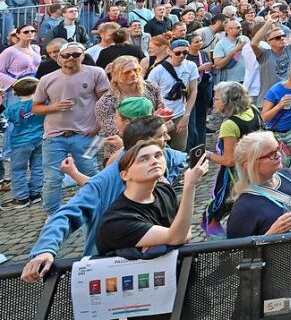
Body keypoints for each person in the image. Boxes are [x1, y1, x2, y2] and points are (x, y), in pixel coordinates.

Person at [21, 115, 185, 279]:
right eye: (161, 136)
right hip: (113, 270)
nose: (167, 139)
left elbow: (186, 159)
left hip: (163, 266)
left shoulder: (162, 159)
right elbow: (67, 214)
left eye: (158, 155)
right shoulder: (105, 181)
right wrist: (44, 251)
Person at [33, 41, 109, 214]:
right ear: (59, 58)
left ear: (83, 56)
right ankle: (52, 215)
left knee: (91, 172)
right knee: (52, 178)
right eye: (66, 55)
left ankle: (99, 208)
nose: (71, 58)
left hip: (87, 135)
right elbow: (35, 107)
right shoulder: (47, 79)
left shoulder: (96, 73)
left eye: (76, 55)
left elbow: (105, 103)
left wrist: (97, 127)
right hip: (53, 136)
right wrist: (54, 107)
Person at [94, 140, 208, 256]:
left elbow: (185, 231)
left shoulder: (165, 190)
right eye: (143, 159)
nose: (154, 161)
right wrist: (190, 186)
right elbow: (177, 237)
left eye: (158, 155)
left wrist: (168, 239)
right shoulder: (116, 221)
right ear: (125, 175)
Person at [94, 55, 166, 142]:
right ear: (115, 76)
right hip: (122, 148)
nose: (133, 74)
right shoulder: (106, 103)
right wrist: (153, 121)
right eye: (127, 72)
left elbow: (161, 112)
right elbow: (117, 133)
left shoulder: (151, 87)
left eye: (136, 70)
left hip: (153, 143)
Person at [146, 38, 198, 151]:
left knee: (180, 149)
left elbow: (194, 90)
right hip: (162, 115)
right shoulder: (157, 71)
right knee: (159, 148)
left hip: (180, 113)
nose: (182, 56)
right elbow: (149, 94)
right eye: (178, 53)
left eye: (185, 52)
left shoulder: (191, 66)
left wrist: (186, 115)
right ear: (170, 52)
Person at [2, 77, 45, 208]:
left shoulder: (12, 108)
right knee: (37, 167)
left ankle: (21, 198)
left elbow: (2, 124)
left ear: (15, 93)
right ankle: (35, 193)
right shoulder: (42, 103)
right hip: (40, 138)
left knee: (18, 170)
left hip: (20, 142)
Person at [0, 23, 41, 92]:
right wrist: (15, 83)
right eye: (26, 32)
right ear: (18, 35)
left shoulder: (36, 48)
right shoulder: (10, 51)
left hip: (34, 85)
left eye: (33, 31)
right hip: (15, 88)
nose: (30, 33)